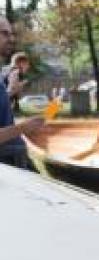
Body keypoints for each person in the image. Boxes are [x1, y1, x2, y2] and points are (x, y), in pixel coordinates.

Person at [0, 17, 44, 168]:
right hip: (7, 166)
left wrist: (10, 92)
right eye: (4, 33)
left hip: (15, 157)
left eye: (11, 34)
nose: (11, 39)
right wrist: (23, 127)